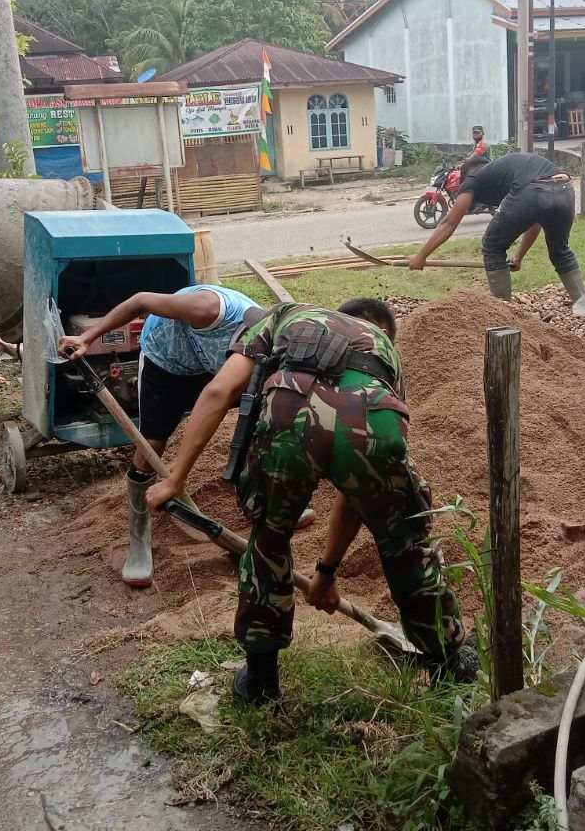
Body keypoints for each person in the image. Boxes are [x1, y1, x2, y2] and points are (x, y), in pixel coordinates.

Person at [144, 299, 476, 705]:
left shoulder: (280, 316)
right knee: (405, 545)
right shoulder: (384, 349)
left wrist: (174, 480)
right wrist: (327, 571)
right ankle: (449, 661)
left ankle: (261, 683)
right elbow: (354, 492)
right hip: (373, 416)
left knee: (268, 541)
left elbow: (219, 389)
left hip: (288, 415)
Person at [59, 285, 313, 587]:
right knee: (151, 445)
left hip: (215, 365)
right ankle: (139, 538)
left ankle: (263, 507)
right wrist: (86, 337)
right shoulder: (206, 309)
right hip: (166, 365)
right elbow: (140, 300)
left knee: (261, 423)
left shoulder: (270, 341)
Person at [408, 152, 585, 303]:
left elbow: (449, 222)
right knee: (560, 252)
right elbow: (535, 220)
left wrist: (421, 256)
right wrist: (518, 257)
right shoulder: (508, 171)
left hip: (533, 190)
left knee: (492, 246)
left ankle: (503, 314)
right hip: (564, 188)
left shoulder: (472, 179)